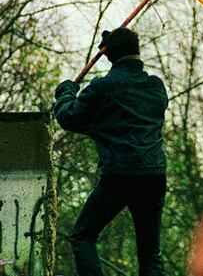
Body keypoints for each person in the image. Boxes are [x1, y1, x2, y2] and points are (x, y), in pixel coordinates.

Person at [54, 27, 168, 276]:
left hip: (119, 174)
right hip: (153, 174)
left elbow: (68, 117)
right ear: (137, 51)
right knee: (150, 255)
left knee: (83, 236)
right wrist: (115, 44)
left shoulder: (103, 88)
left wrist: (66, 93)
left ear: (107, 55)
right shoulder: (156, 87)